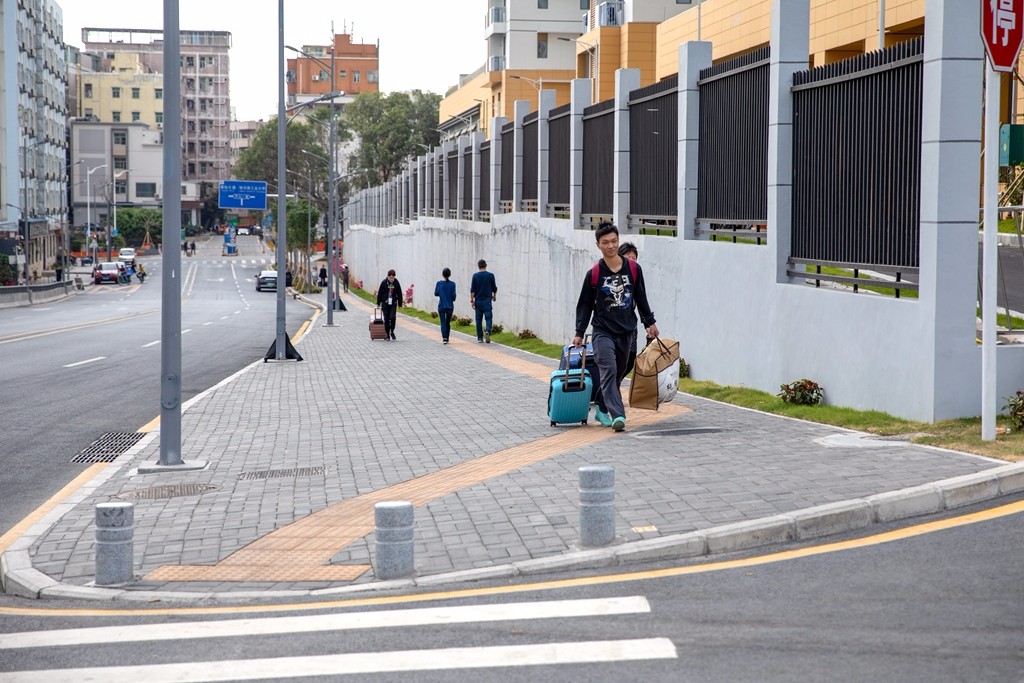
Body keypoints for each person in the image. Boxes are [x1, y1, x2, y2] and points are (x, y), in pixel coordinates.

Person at [574, 223, 658, 432]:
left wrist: (649, 322)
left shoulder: (633, 269)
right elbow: (584, 304)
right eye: (605, 242)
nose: (610, 246)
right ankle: (618, 414)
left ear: (618, 241)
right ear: (598, 245)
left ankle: (602, 406)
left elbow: (641, 297)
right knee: (609, 369)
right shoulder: (594, 273)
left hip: (626, 330)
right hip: (602, 330)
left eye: (614, 241)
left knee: (618, 372)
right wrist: (579, 332)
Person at [618, 241, 642, 383]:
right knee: (614, 361)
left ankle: (616, 384)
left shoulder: (636, 276)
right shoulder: (612, 276)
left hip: (630, 325)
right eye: (629, 257)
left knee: (631, 358)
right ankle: (610, 391)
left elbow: (641, 301)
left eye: (634, 258)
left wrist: (648, 322)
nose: (632, 261)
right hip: (612, 327)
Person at [470, 259, 498, 343]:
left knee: (478, 319)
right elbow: (494, 288)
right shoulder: (490, 275)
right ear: (486, 265)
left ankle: (479, 338)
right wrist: (494, 297)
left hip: (478, 300)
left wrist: (472, 301)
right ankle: (487, 331)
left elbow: (472, 291)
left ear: (478, 266)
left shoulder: (475, 276)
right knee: (488, 318)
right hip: (487, 300)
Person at [376, 269, 403, 341]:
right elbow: (380, 293)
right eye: (390, 277)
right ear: (388, 276)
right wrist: (378, 303)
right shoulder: (384, 283)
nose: (391, 279)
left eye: (392, 277)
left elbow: (399, 293)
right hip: (385, 303)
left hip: (393, 303)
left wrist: (400, 303)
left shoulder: (396, 283)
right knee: (386, 319)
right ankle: (387, 334)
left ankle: (392, 331)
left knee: (393, 317)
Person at [434, 267, 457, 344]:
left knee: (443, 322)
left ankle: (444, 338)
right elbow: (453, 296)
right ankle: (447, 337)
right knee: (448, 322)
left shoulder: (439, 283)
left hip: (441, 306)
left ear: (442, 274)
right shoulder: (452, 284)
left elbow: (436, 293)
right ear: (450, 275)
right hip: (450, 306)